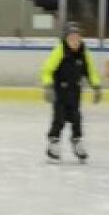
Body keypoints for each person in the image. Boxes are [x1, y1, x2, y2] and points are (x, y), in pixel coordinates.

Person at [40, 21, 102, 162]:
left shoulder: (83, 52)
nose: (75, 40)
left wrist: (96, 86)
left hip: (75, 93)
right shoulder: (60, 51)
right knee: (59, 119)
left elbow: (91, 71)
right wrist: (48, 86)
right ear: (65, 38)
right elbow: (47, 70)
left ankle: (77, 141)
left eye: (77, 37)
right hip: (60, 93)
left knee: (77, 119)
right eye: (71, 37)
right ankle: (53, 143)